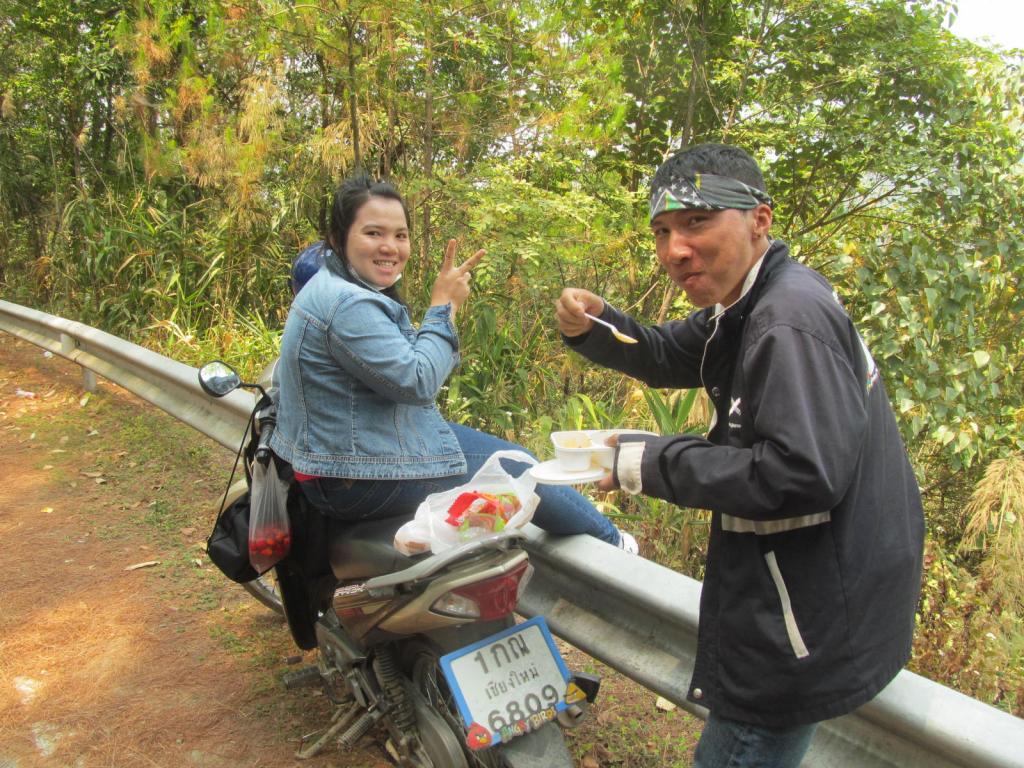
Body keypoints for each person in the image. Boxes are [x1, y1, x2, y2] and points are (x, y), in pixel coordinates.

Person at [555, 143, 924, 767]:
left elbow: (799, 474)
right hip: (814, 589)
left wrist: (645, 461)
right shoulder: (745, 304)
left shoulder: (785, 320)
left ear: (759, 219)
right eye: (662, 231)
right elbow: (668, 353)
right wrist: (597, 325)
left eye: (697, 222)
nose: (674, 249)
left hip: (802, 612)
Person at [269, 172, 635, 552]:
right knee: (518, 467)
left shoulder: (328, 284)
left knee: (484, 450)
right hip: (353, 476)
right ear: (338, 237)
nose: (390, 247)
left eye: (400, 235)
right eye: (374, 233)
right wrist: (444, 306)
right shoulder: (347, 303)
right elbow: (418, 381)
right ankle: (614, 546)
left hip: (340, 461)